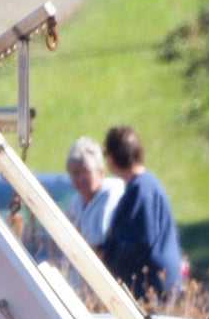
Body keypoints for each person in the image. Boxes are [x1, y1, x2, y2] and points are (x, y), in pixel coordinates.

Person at [92, 123, 186, 299]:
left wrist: (107, 257)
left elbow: (138, 239)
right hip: (158, 280)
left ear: (112, 158)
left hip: (154, 284)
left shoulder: (142, 189)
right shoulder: (142, 186)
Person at [61, 137, 120, 247]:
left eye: (86, 172)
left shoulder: (112, 197)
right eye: (75, 173)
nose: (81, 179)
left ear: (101, 172)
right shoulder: (76, 203)